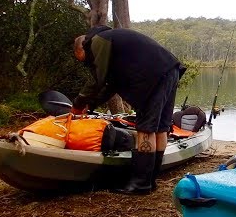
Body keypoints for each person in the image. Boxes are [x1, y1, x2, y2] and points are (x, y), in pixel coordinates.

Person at [71, 25, 186, 195]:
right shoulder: (112, 41)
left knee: (146, 128)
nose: (88, 63)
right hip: (169, 70)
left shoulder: (97, 41)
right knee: (161, 127)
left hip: (152, 75)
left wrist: (78, 104)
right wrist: (91, 105)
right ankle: (149, 180)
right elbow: (110, 85)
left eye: (85, 60)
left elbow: (98, 80)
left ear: (81, 48)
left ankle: (140, 184)